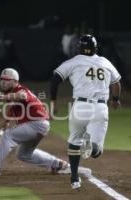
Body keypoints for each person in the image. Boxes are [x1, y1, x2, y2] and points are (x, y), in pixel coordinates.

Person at [50, 34, 121, 189]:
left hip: (81, 106)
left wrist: (54, 103)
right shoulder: (105, 62)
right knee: (97, 152)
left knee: (74, 141)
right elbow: (116, 83)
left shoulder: (74, 62)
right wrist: (115, 99)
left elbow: (55, 80)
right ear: (96, 48)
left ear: (79, 48)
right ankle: (91, 146)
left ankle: (74, 179)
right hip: (100, 109)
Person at [0, 68, 69, 177]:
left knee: (8, 135)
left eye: (7, 80)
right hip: (39, 125)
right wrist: (7, 121)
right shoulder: (11, 92)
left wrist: (1, 97)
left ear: (15, 81)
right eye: (2, 79)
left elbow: (22, 96)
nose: (3, 82)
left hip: (36, 123)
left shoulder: (21, 90)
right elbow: (12, 106)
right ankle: (57, 164)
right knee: (23, 154)